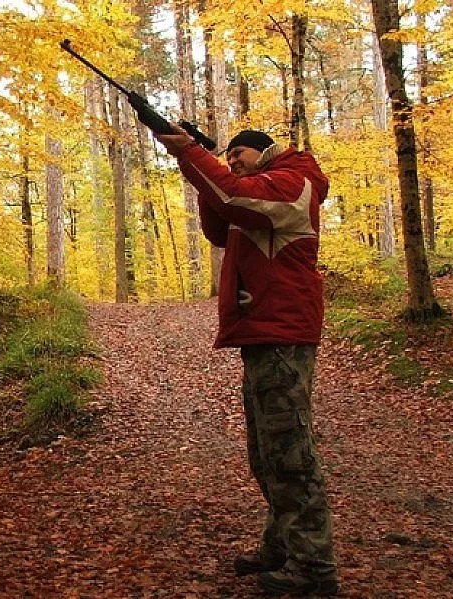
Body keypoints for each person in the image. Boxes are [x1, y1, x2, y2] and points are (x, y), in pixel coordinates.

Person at [155, 126, 339, 596]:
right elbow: (220, 224)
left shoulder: (292, 183)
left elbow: (234, 198)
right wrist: (191, 162)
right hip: (264, 333)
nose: (233, 161)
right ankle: (281, 547)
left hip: (282, 333)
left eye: (239, 154)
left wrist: (194, 153)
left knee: (291, 454)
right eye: (230, 155)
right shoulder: (258, 189)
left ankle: (313, 568)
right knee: (267, 453)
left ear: (265, 152)